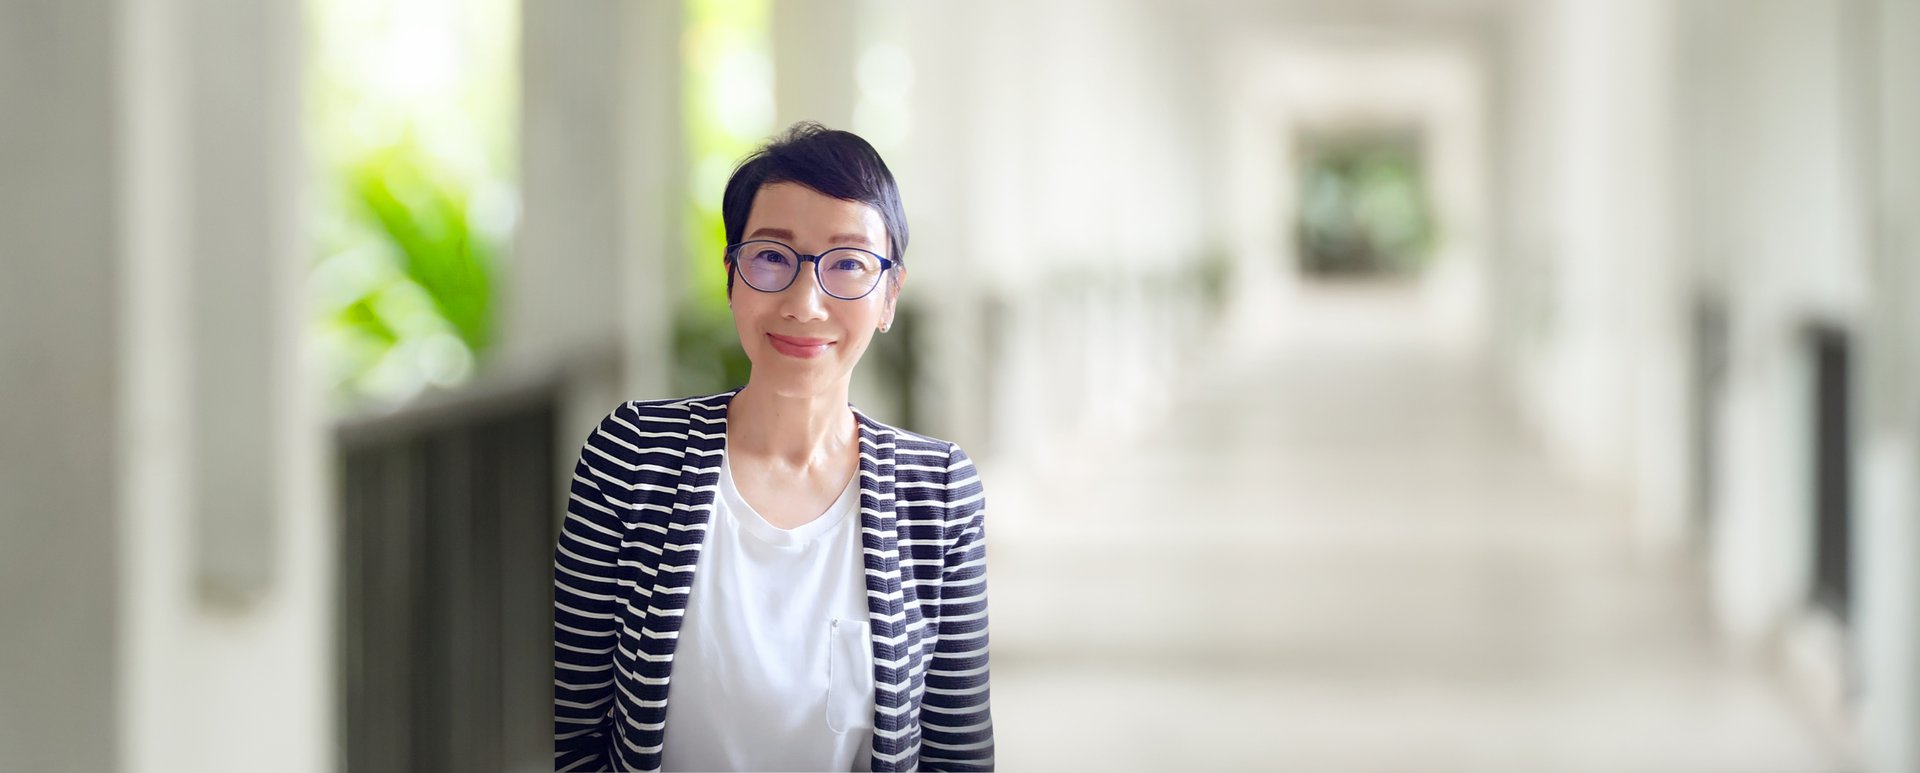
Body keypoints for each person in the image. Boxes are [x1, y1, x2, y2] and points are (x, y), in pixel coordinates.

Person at [553, 122, 994, 772]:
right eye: (771, 257)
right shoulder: (631, 457)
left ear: (889, 296)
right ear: (731, 276)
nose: (805, 302)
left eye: (848, 262)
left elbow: (957, 757)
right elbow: (580, 736)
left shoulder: (940, 493)